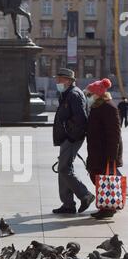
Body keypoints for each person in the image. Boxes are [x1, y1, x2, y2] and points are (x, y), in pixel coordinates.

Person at [53, 68, 95, 214]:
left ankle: (85, 195)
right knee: (63, 169)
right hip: (67, 136)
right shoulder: (66, 94)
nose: (57, 82)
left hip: (72, 137)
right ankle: (68, 204)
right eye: (57, 79)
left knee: (65, 168)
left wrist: (72, 136)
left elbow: (81, 119)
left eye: (60, 79)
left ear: (69, 80)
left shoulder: (74, 95)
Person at [85, 78, 123, 220]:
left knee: (104, 179)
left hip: (105, 153)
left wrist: (111, 157)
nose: (87, 97)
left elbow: (114, 134)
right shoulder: (97, 106)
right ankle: (109, 204)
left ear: (98, 94)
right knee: (99, 177)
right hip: (97, 150)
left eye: (89, 94)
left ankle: (109, 207)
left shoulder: (108, 107)